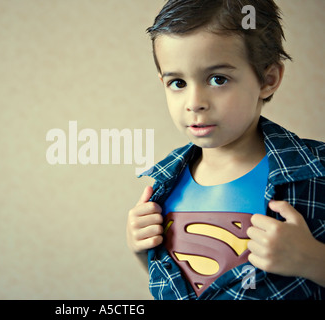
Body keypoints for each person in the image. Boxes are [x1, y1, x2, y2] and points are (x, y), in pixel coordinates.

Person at [126, 0, 325, 299]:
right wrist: (142, 251)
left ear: (267, 80)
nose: (195, 102)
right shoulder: (162, 186)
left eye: (218, 79)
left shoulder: (318, 170)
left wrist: (313, 260)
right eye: (178, 82)